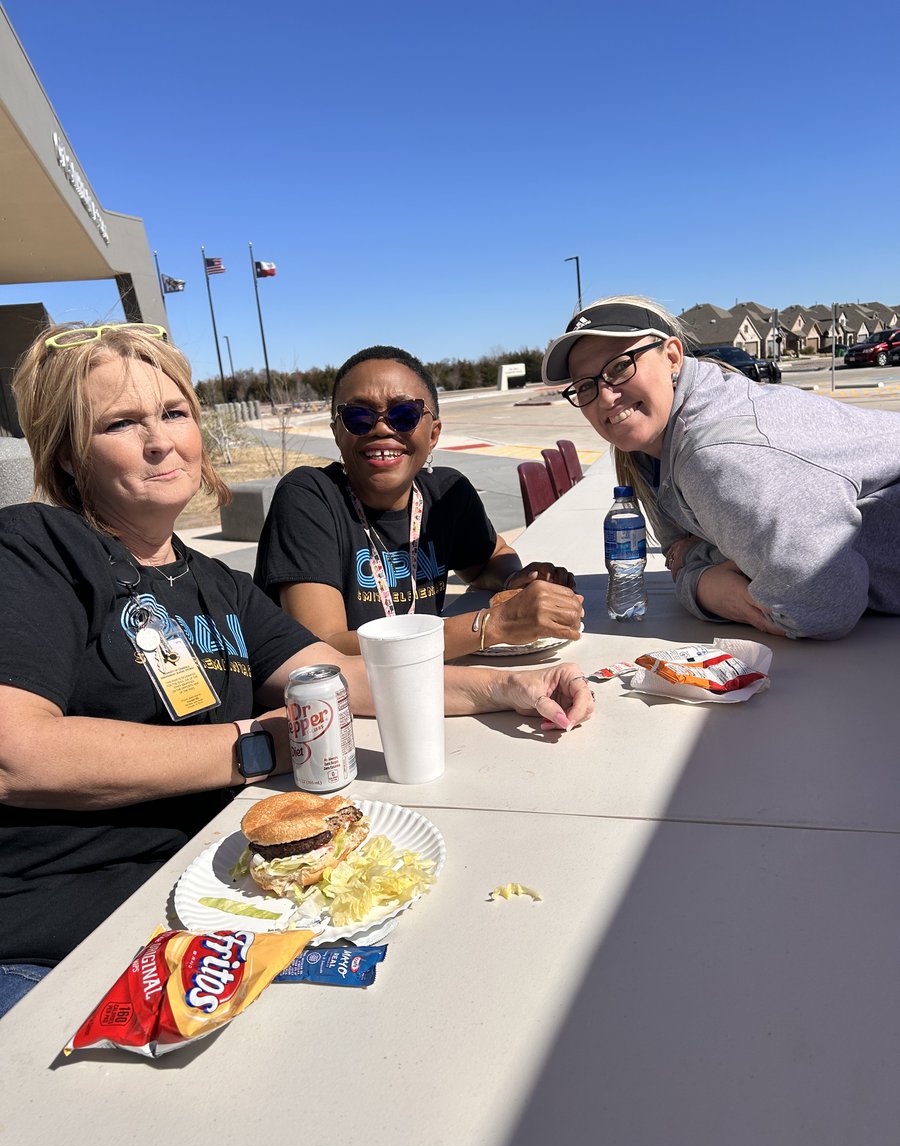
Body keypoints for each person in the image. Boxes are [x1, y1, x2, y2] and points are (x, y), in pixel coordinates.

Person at [0, 323, 593, 1017]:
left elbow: (344, 677)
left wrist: (508, 686)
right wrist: (259, 743)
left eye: (174, 413)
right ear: (70, 456)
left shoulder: (214, 585)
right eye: (121, 423)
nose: (160, 440)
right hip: (60, 951)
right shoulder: (36, 548)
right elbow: (17, 752)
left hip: (212, 915)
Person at [541, 296, 900, 640]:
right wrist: (704, 581)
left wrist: (705, 578)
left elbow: (822, 605)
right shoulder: (648, 446)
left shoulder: (716, 456)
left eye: (620, 366)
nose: (605, 396)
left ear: (672, 356)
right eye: (586, 385)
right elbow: (675, 551)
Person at [253, 345, 583, 658]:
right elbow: (324, 649)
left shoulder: (446, 495)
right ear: (337, 431)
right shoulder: (308, 497)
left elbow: (491, 558)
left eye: (404, 414)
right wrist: (495, 624)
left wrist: (515, 580)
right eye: (358, 417)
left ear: (433, 433)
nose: (381, 428)